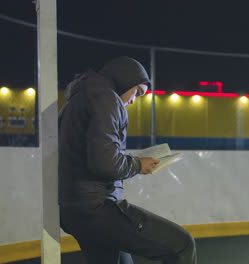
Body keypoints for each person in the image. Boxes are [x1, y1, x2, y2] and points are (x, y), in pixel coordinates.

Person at [58, 56, 197, 264]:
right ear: (124, 80)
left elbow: (93, 155)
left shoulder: (80, 97)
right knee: (182, 245)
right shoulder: (107, 98)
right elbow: (105, 163)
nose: (133, 100)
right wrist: (139, 164)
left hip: (75, 210)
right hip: (96, 209)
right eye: (137, 92)